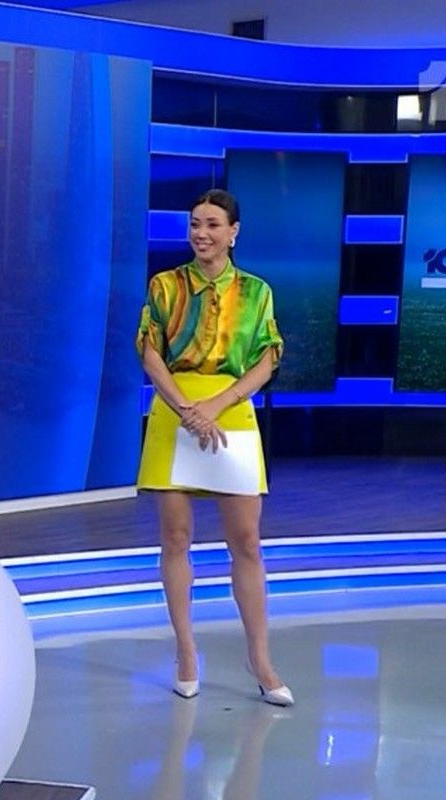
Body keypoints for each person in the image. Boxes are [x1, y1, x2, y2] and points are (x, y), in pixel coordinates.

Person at [136, 189, 292, 706]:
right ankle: (186, 653)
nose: (201, 234)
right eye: (195, 224)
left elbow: (268, 358)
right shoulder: (165, 286)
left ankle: (260, 660)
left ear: (233, 232)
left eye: (212, 225)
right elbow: (150, 352)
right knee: (175, 537)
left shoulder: (256, 292)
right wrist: (186, 409)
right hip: (174, 412)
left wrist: (216, 405)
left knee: (246, 541)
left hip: (231, 413)